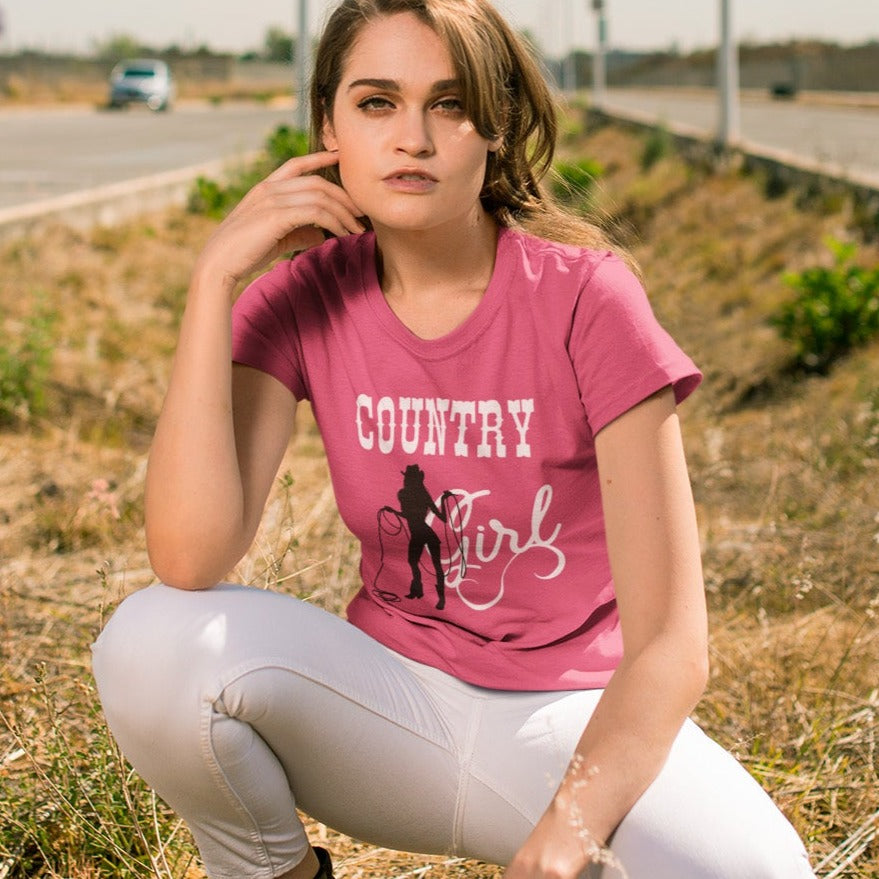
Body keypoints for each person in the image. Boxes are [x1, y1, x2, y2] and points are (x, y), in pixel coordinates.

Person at [91, 1, 816, 877]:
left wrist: (564, 838)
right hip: (387, 709)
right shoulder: (297, 298)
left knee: (762, 871)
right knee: (150, 640)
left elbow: (671, 643)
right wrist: (214, 282)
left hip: (569, 717)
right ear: (328, 124)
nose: (414, 139)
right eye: (376, 103)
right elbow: (189, 554)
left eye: (450, 103)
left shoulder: (588, 297)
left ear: (497, 129)